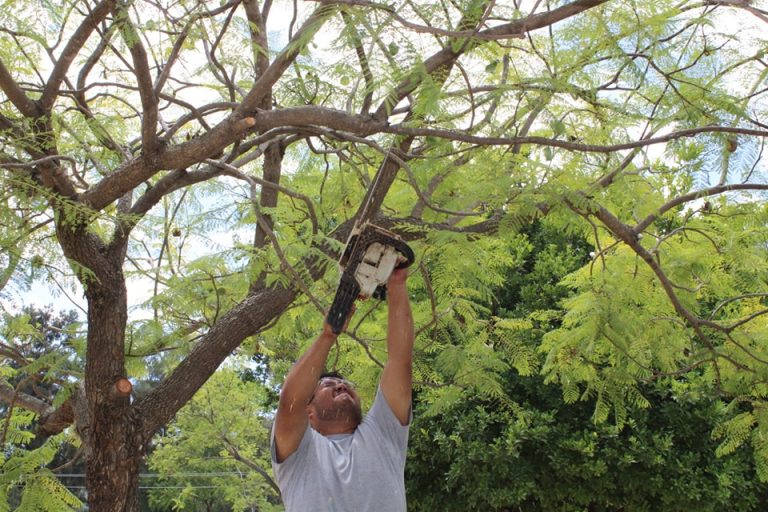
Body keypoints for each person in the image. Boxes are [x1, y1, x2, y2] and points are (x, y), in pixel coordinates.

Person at [271, 267, 414, 511]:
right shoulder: (300, 454)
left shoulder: (383, 433)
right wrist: (328, 335)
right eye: (327, 385)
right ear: (309, 411)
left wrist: (397, 283)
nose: (341, 384)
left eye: (346, 384)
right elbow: (291, 401)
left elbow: (400, 360)